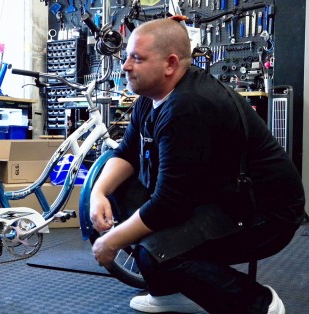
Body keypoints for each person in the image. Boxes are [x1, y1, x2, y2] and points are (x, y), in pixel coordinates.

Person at [90, 19, 304, 314]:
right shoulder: (150, 96)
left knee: (157, 250)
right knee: (120, 193)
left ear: (170, 64)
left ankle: (258, 303)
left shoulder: (189, 106)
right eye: (127, 56)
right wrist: (99, 193)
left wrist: (111, 241)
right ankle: (171, 293)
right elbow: (127, 153)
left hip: (264, 213)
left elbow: (168, 205)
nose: (126, 66)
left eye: (137, 58)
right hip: (215, 198)